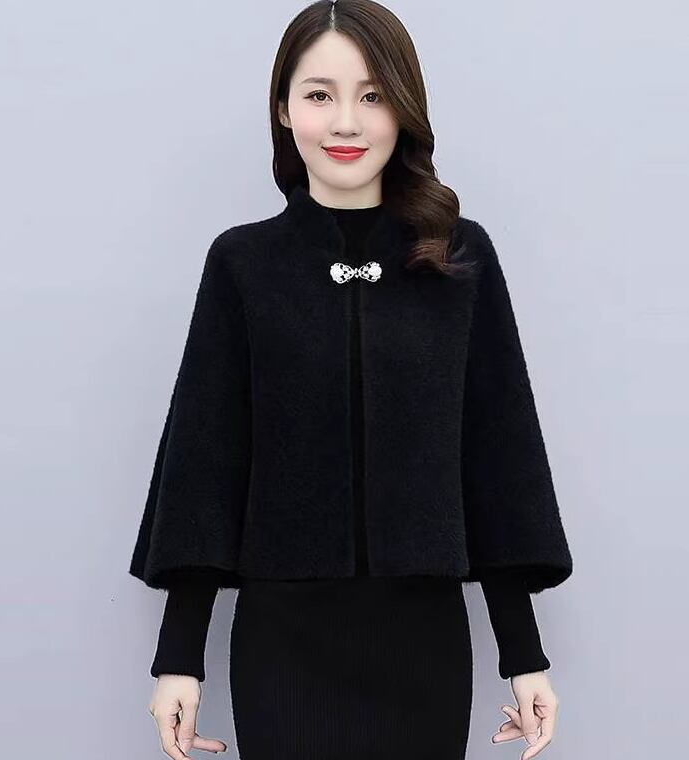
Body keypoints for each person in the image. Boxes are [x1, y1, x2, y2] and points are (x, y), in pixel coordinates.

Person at [129, 2, 573, 759]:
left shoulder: (458, 259)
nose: (346, 122)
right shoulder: (243, 264)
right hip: (283, 640)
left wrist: (523, 655)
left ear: (404, 109)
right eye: (319, 94)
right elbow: (206, 462)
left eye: (373, 95)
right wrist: (179, 658)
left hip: (423, 642)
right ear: (283, 109)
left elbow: (498, 458)